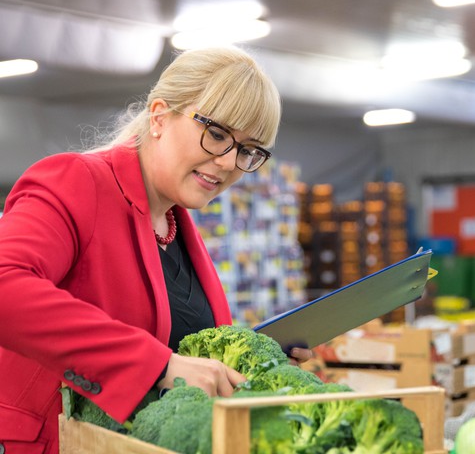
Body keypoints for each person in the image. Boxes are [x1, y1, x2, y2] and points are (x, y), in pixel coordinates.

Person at [0, 46, 311, 452]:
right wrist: (156, 365)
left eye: (248, 150)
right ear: (160, 115)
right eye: (217, 134)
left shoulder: (178, 225)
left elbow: (184, 354)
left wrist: (253, 367)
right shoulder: (76, 181)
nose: (229, 162)